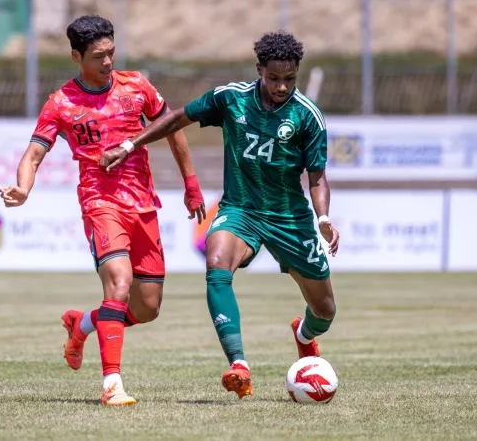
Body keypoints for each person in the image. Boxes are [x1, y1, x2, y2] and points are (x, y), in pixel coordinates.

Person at [100, 31, 340, 400]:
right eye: (274, 78)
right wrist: (131, 143)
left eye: (289, 79)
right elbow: (177, 118)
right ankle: (239, 365)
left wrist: (322, 218)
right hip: (240, 209)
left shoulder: (308, 116)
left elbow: (317, 176)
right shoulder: (231, 99)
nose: (281, 86)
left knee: (324, 311)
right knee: (216, 262)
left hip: (289, 218)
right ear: (260, 69)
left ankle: (303, 335)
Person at [0, 15, 206, 406]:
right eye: (98, 56)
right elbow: (34, 154)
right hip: (99, 203)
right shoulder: (61, 103)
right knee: (119, 284)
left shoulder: (137, 86)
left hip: (143, 204)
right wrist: (24, 188)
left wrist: (191, 186)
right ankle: (112, 385)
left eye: (111, 53)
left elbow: (173, 127)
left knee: (147, 308)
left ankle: (84, 323)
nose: (108, 62)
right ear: (77, 57)